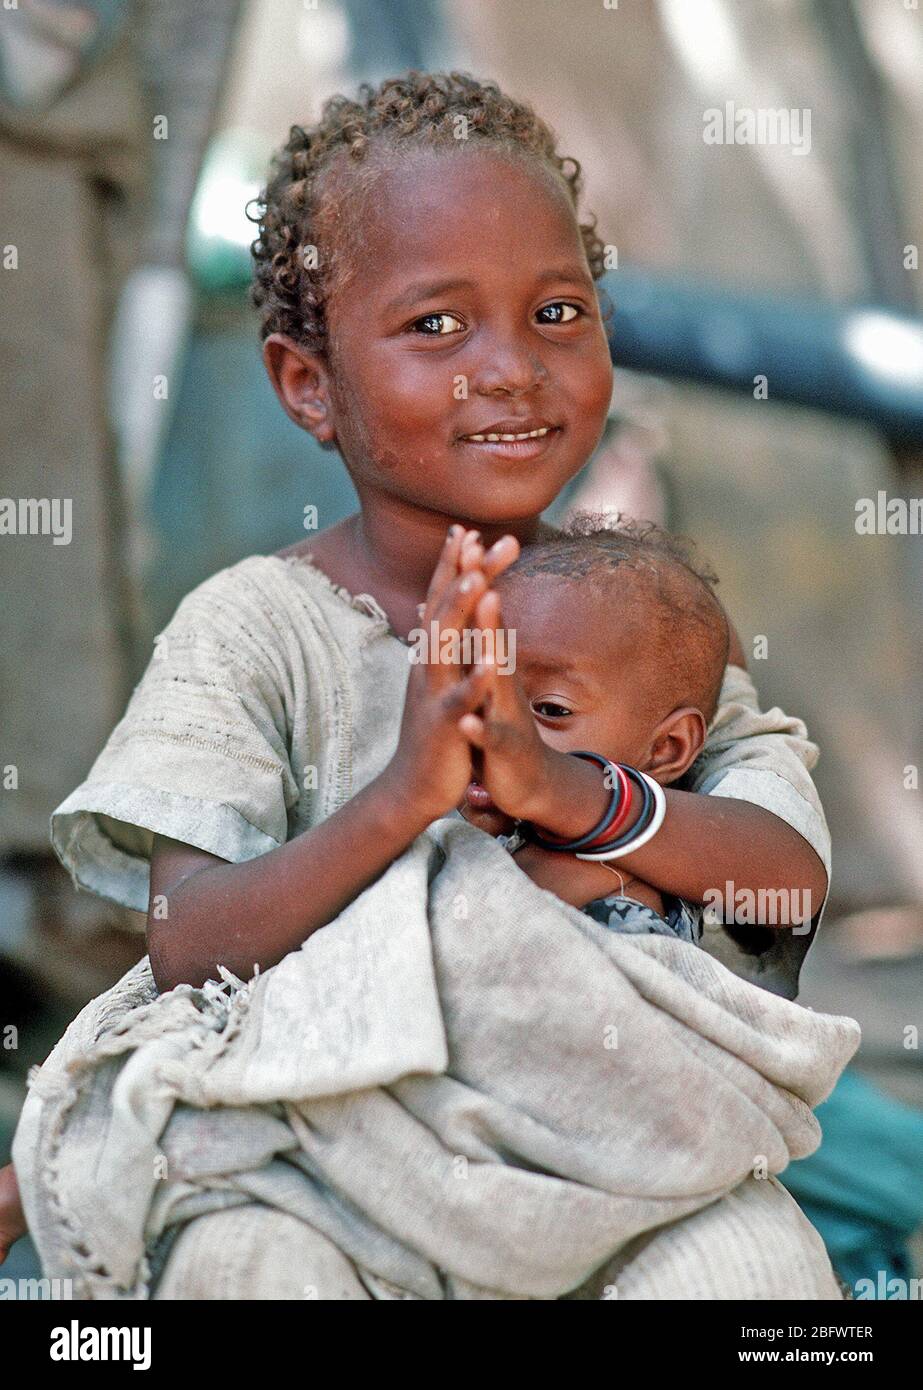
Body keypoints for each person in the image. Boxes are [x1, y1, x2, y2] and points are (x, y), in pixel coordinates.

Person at [2, 71, 831, 1293]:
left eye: (557, 313)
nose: (507, 369)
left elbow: (781, 878)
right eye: (436, 325)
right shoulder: (253, 632)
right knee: (242, 1263)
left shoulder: (650, 620)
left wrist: (573, 794)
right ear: (304, 384)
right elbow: (188, 946)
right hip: (322, 1168)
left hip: (608, 1168)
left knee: (754, 1269)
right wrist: (404, 793)